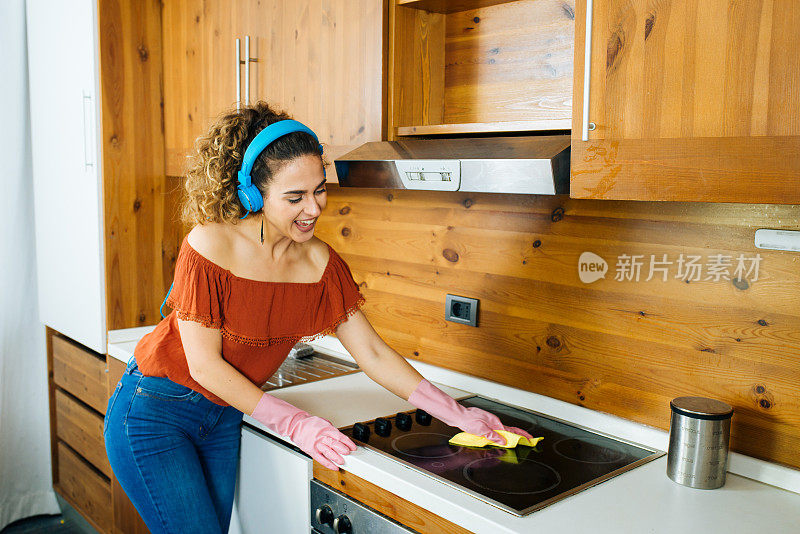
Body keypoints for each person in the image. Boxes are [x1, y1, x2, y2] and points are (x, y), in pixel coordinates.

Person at [103, 101, 533, 534]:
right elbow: (204, 366)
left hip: (224, 414)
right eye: (295, 197)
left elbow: (373, 353)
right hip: (155, 411)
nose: (313, 208)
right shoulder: (210, 247)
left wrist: (459, 414)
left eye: (319, 190)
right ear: (254, 194)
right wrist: (294, 422)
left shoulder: (319, 264)